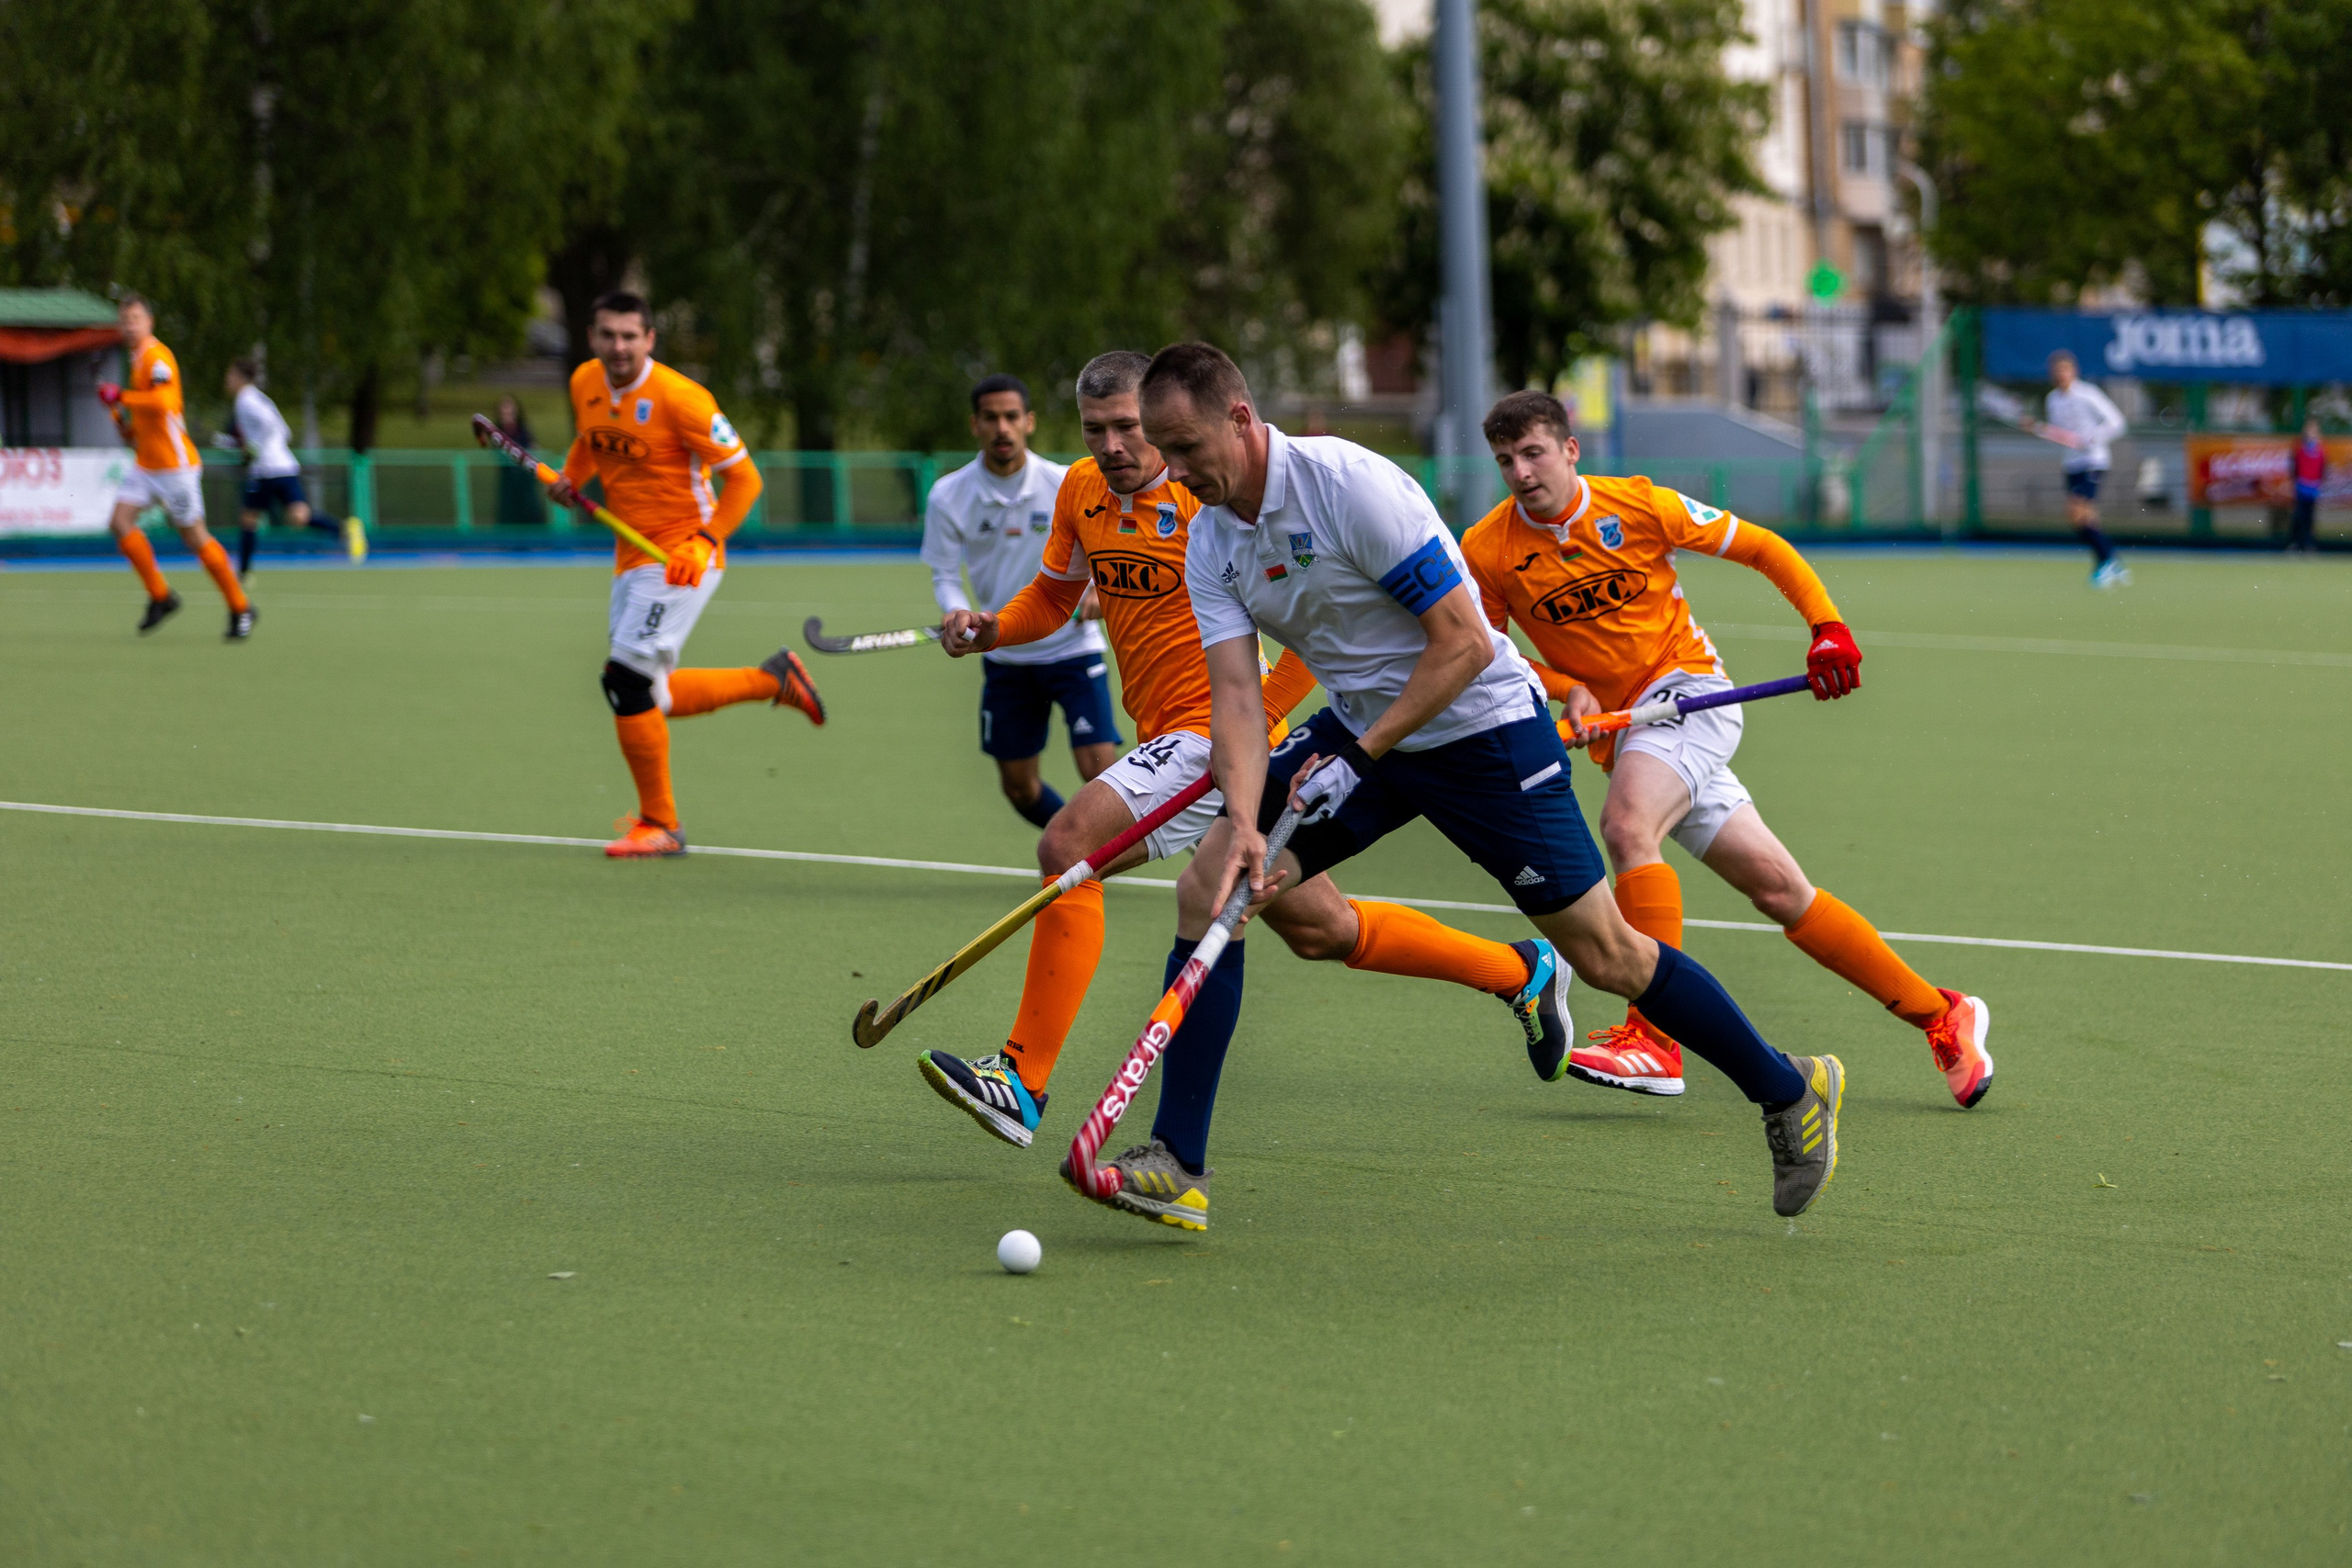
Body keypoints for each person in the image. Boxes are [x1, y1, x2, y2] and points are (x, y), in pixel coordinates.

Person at [1116, 343, 1845, 1223]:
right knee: (1215, 876)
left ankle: (1786, 1088)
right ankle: (1179, 1162)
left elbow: (1462, 642)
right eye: (1165, 451)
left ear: (1240, 418)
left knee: (1608, 954)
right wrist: (1242, 816)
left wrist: (1359, 755)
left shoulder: (1349, 486)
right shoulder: (1211, 536)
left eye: (1187, 447)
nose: (1176, 471)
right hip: (1365, 726)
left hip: (1482, 728)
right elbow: (1235, 692)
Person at [922, 352, 1576, 1206]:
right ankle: (1518, 971)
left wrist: (1262, 729)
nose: (1118, 448)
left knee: (1069, 840)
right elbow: (1052, 596)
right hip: (1172, 730)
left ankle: (1024, 1078)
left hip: (1216, 733)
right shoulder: (1081, 491)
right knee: (1320, 927)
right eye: (1099, 432)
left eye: (1131, 429)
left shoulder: (1214, 495)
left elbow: (1321, 622)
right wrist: (990, 629)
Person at [1463, 389, 1991, 1109]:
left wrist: (1826, 627)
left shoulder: (1642, 505)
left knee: (1626, 826)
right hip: (1628, 729)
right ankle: (1941, 1014)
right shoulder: (1488, 549)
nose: (1521, 473)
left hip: (1688, 694)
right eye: (1505, 461)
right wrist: (1569, 688)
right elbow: (1491, 653)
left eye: (1533, 453)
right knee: (1780, 889)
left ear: (1569, 449)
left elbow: (1763, 547)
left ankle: (1651, 1037)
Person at [549, 290, 827, 858]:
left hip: (682, 556)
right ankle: (772, 680)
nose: (619, 347)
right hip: (630, 557)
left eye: (630, 336)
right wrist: (571, 480)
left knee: (624, 680)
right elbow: (590, 441)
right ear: (593, 338)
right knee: (650, 692)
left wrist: (705, 541)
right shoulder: (585, 382)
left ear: (650, 339)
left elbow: (745, 479)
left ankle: (661, 824)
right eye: (608, 335)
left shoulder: (683, 398)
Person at [921, 374, 1115, 826]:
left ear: (1029, 422)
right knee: (1019, 787)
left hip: (1072, 649)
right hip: (1006, 657)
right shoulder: (949, 495)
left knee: (1103, 773)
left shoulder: (1066, 483)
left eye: (1011, 417)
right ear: (975, 425)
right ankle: (1074, 845)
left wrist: (1097, 591)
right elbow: (946, 573)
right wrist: (956, 610)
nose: (1001, 428)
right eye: (991, 418)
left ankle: (1089, 855)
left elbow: (1105, 555)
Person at [96, 296, 255, 638]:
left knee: (194, 537)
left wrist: (120, 397)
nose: (129, 326)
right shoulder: (135, 358)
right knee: (120, 522)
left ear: (149, 322)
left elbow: (164, 402)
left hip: (174, 468)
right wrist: (130, 429)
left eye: (136, 318)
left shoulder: (156, 356)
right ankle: (161, 596)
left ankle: (241, 606)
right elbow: (147, 416)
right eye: (124, 320)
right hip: (146, 464)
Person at [217, 358, 366, 576]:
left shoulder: (245, 400)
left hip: (266, 470)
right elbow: (283, 431)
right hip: (284, 465)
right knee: (299, 517)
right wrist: (248, 446)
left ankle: (243, 573)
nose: (227, 380)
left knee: (249, 518)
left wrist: (254, 449)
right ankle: (345, 530)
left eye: (230, 376)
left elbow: (266, 425)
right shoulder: (259, 398)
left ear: (240, 378)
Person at [2044, 350, 2130, 587]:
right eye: (2057, 371)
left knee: (2076, 511)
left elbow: (2117, 422)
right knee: (2083, 518)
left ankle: (2107, 562)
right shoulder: (2052, 399)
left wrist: (2092, 438)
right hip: (2071, 463)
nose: (2061, 375)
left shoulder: (2087, 394)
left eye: (2065, 370)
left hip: (2093, 460)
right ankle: (2110, 561)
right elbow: (2060, 434)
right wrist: (2044, 431)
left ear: (2074, 371)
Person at [493, 396, 548, 525]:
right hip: (509, 481)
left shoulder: (523, 430)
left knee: (531, 513)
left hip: (525, 479)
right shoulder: (497, 433)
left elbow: (533, 447)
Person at [2290, 416, 2325, 556]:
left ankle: (2309, 544)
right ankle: (2296, 543)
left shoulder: (2320, 450)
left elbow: (2322, 468)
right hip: (2301, 487)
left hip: (2313, 488)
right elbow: (2295, 467)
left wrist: (2318, 483)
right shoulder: (2300, 448)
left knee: (2310, 517)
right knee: (2299, 516)